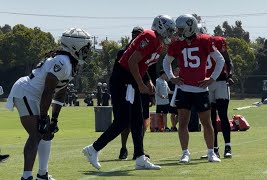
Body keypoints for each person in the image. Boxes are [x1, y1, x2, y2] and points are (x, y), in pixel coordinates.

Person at [82, 15, 176, 170]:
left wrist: (147, 81)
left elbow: (142, 64)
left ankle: (140, 157)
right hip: (123, 79)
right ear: (160, 27)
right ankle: (93, 149)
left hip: (131, 80)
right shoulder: (150, 36)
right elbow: (132, 61)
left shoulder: (158, 44)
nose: (171, 34)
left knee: (138, 120)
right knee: (123, 120)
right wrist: (140, 84)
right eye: (169, 30)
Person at [6, 28, 92, 180]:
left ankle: (42, 174)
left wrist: (54, 119)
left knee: (47, 134)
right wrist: (44, 117)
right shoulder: (62, 62)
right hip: (26, 91)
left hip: (36, 94)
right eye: (85, 48)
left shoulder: (71, 63)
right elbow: (48, 90)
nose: (87, 51)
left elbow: (60, 92)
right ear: (74, 47)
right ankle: (26, 176)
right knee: (36, 134)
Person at [163, 14, 225, 163]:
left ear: (190, 27)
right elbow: (166, 62)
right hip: (184, 89)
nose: (178, 31)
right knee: (183, 123)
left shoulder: (204, 40)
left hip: (200, 90)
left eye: (181, 29)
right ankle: (185, 153)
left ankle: (211, 152)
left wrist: (212, 78)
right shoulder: (177, 43)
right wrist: (172, 77)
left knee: (207, 123)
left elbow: (220, 59)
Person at [198, 24, 234, 158]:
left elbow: (227, 60)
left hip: (219, 82)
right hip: (206, 83)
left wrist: (229, 76)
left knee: (223, 115)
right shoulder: (192, 45)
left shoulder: (217, 42)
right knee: (210, 119)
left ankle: (227, 147)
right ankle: (214, 149)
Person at [117, 26, 153, 160]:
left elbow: (144, 68)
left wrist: (149, 82)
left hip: (141, 88)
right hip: (128, 88)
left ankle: (138, 150)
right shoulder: (124, 51)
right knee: (126, 121)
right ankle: (123, 147)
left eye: (139, 35)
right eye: (135, 35)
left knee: (142, 121)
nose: (137, 37)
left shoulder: (145, 50)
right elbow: (131, 68)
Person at [168, 67, 180, 132]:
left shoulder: (181, 79)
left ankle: (174, 126)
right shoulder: (171, 81)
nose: (178, 72)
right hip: (172, 99)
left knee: (179, 114)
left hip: (179, 98)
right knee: (172, 113)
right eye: (177, 71)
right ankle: (173, 126)